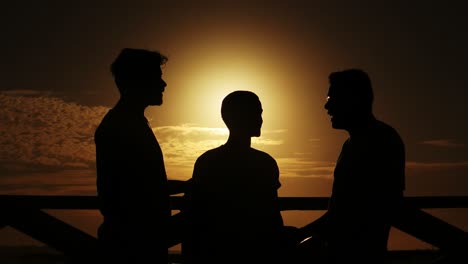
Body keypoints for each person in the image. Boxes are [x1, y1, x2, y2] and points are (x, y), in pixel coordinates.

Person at [299, 69, 406, 263]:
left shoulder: (379, 140)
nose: (327, 105)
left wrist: (299, 235)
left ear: (353, 99)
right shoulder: (355, 143)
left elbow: (357, 210)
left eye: (332, 98)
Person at [182, 91, 293, 264]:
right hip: (254, 253)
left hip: (215, 253)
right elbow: (271, 215)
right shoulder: (264, 163)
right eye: (256, 113)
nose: (260, 119)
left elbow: (195, 219)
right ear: (239, 117)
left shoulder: (207, 161)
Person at [94, 48, 171, 263]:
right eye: (157, 78)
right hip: (132, 246)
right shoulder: (120, 126)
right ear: (138, 81)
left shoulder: (129, 122)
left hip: (137, 242)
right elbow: (126, 193)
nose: (163, 84)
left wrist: (187, 187)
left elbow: (145, 183)